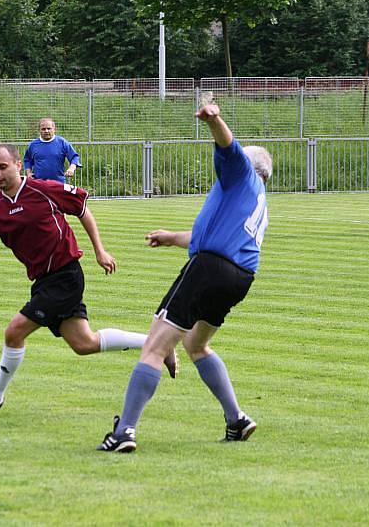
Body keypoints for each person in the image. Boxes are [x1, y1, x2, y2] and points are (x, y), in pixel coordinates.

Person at [0, 144, 178, 415]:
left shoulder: (44, 189)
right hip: (43, 281)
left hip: (65, 276)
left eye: (3, 167)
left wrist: (100, 250)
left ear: (19, 165)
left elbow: (82, 209)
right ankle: (159, 345)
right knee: (84, 344)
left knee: (14, 331)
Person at [97, 103, 272, 452]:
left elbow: (228, 146)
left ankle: (125, 432)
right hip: (239, 277)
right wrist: (172, 238)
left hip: (209, 268)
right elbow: (210, 236)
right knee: (197, 344)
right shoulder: (254, 198)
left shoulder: (240, 173)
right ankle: (236, 418)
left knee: (154, 347)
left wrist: (214, 119)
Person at [23, 117, 81, 183]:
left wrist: (71, 168)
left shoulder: (62, 142)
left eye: (49, 128)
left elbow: (74, 157)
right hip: (38, 183)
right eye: (43, 129)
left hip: (58, 183)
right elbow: (27, 160)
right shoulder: (33, 145)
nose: (46, 131)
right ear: (39, 130)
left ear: (54, 129)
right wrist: (29, 173)